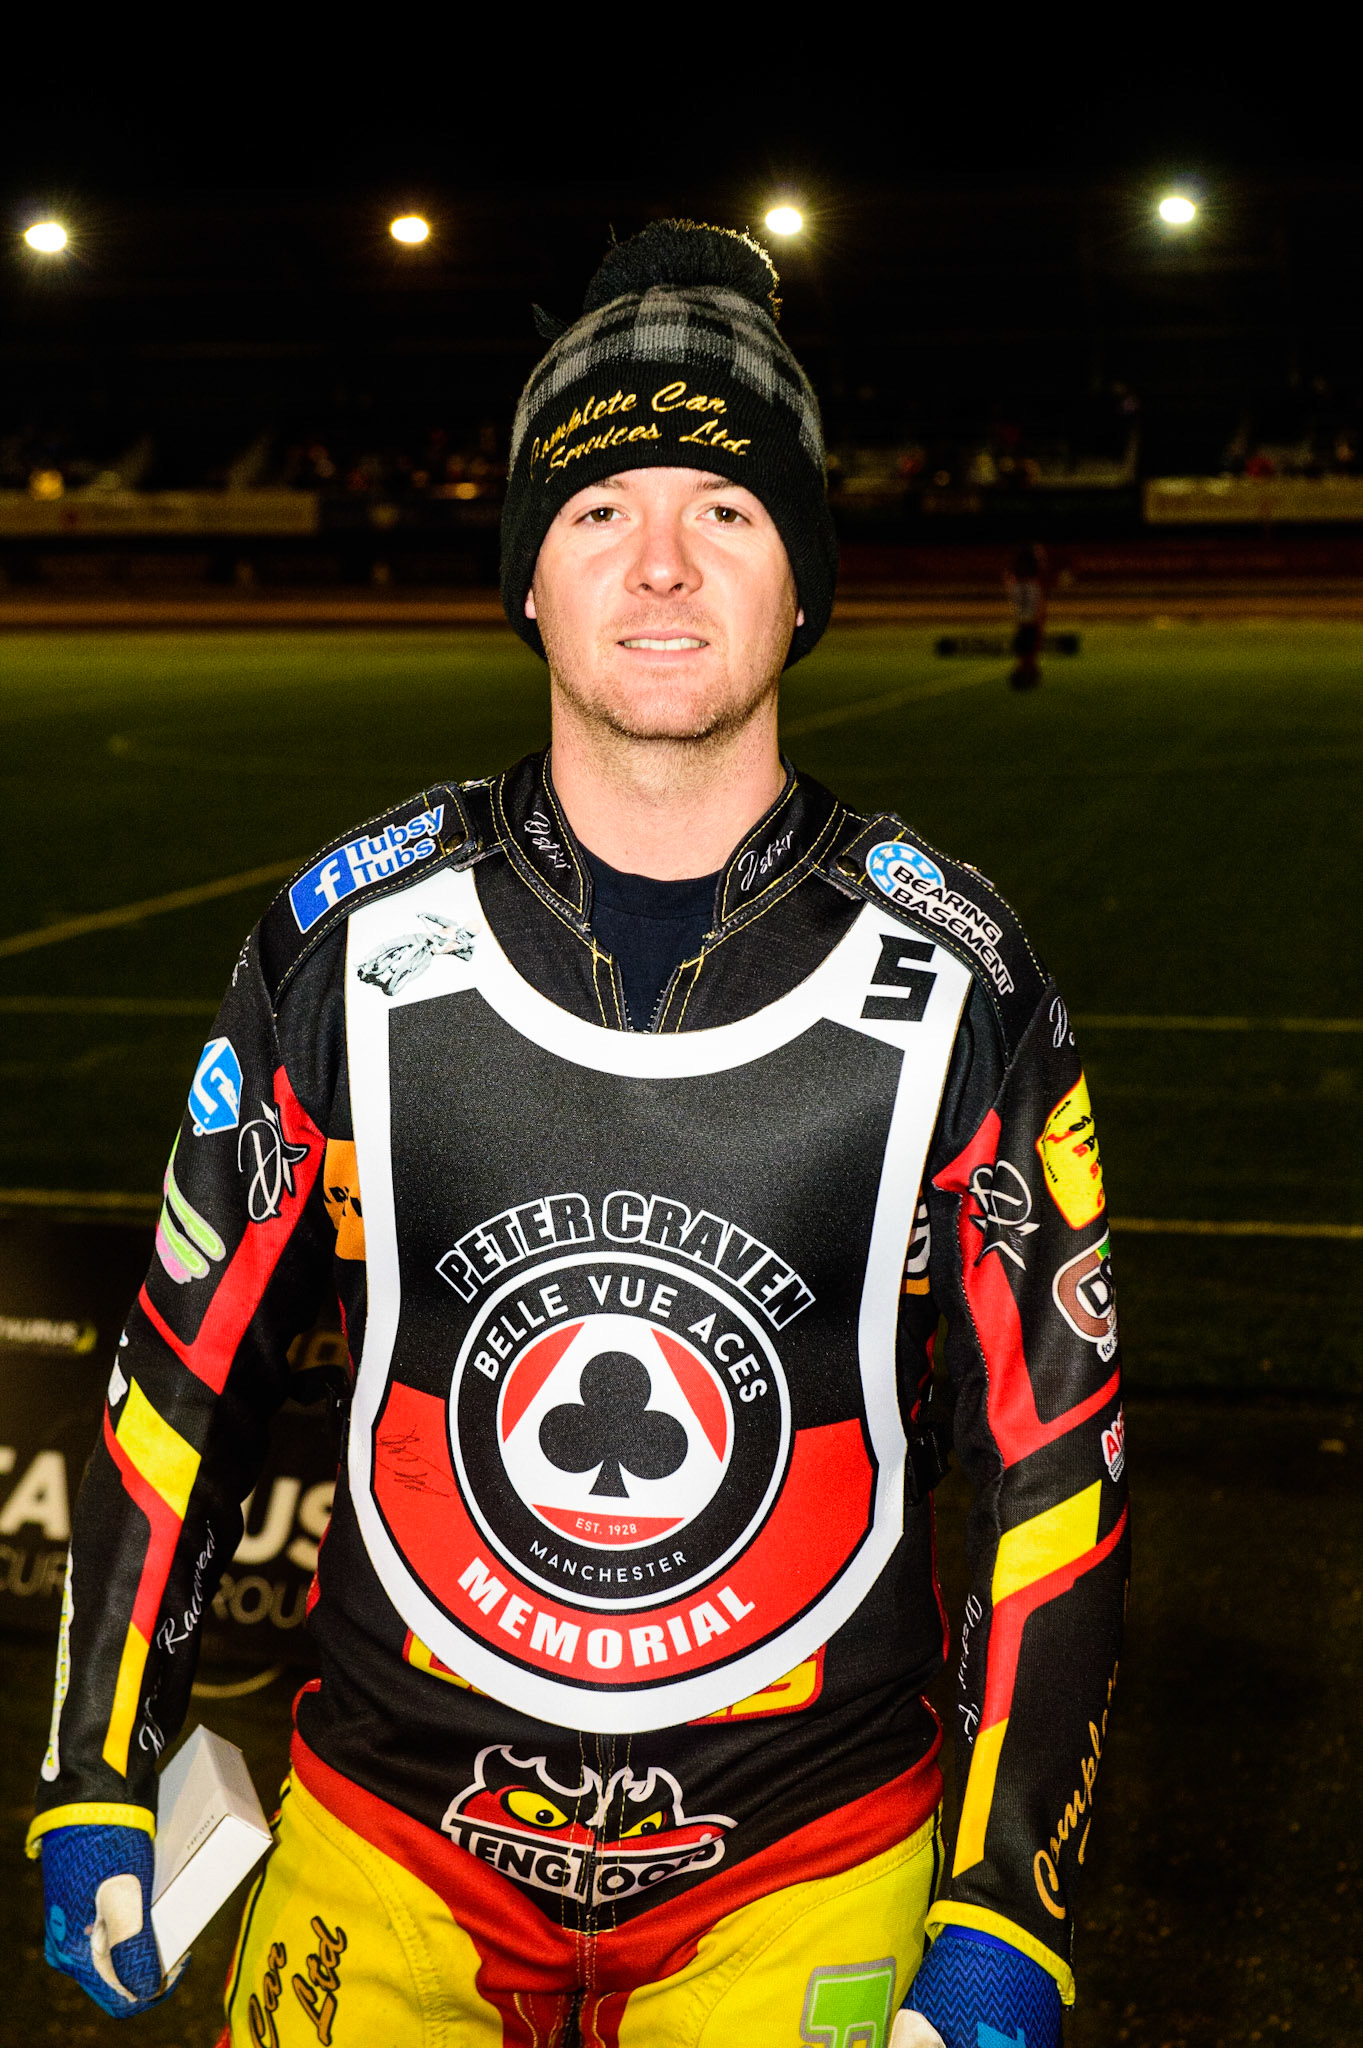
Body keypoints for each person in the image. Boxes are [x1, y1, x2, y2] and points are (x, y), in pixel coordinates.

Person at [30, 221, 1128, 2048]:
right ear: (526, 576)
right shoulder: (341, 940)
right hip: (384, 1846)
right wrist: (92, 1759)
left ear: (804, 581)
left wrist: (1008, 1894)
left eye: (728, 508)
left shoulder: (963, 978)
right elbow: (178, 1368)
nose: (663, 567)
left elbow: (1052, 1465)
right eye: (599, 507)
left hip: (809, 1863)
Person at [1005, 544, 1049, 690]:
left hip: (1023, 623)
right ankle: (1027, 678)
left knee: (1026, 655)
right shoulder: (1033, 585)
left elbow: (1010, 579)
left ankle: (1025, 677)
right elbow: (1040, 607)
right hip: (1030, 624)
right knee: (1028, 655)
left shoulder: (1016, 585)